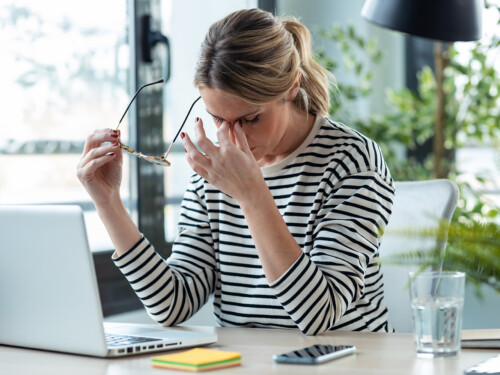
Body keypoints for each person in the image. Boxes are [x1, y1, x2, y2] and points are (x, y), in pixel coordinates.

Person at [77, 8, 395, 335]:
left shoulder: (352, 161)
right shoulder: (215, 170)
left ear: (291, 86)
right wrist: (109, 204)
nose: (232, 137)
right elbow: (171, 304)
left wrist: (251, 194)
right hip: (245, 363)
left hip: (344, 362)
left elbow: (319, 313)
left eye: (250, 119)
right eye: (218, 119)